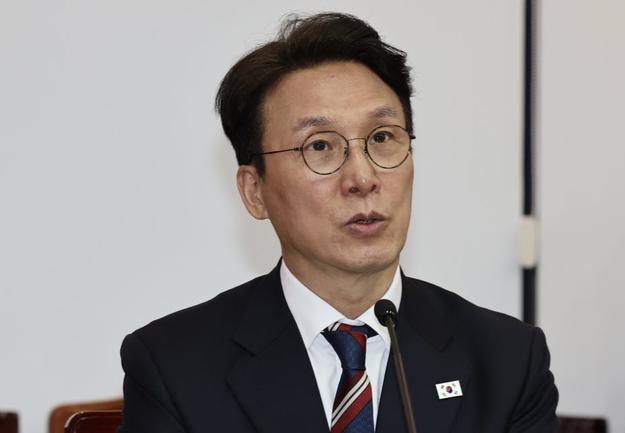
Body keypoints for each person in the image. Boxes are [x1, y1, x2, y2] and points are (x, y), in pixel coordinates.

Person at [119, 12, 559, 433]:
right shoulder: (174, 365)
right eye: (320, 146)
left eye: (382, 138)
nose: (363, 178)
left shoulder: (506, 361)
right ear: (255, 191)